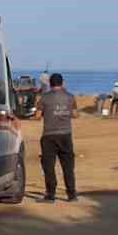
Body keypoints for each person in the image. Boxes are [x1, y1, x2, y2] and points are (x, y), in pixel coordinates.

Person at [38, 73, 79, 201]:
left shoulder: (44, 98)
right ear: (62, 83)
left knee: (49, 167)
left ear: (50, 83)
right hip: (66, 135)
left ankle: (50, 195)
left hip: (49, 136)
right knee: (68, 167)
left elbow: (37, 116)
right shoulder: (70, 97)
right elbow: (75, 114)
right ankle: (71, 195)